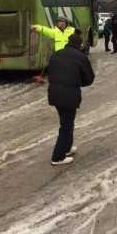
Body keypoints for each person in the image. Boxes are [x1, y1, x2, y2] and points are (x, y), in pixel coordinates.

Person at [48, 29, 95, 165]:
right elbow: (89, 78)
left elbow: (51, 73)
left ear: (68, 42)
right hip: (69, 95)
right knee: (66, 126)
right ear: (80, 45)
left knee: (66, 122)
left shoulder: (56, 54)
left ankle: (66, 148)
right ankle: (57, 157)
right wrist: (78, 82)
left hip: (54, 93)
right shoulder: (81, 57)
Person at [31, 17, 75, 82]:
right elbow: (46, 30)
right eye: (59, 22)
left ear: (66, 23)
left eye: (62, 22)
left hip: (69, 54)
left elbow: (78, 38)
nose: (61, 24)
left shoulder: (72, 30)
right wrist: (37, 27)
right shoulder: (55, 32)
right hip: (59, 55)